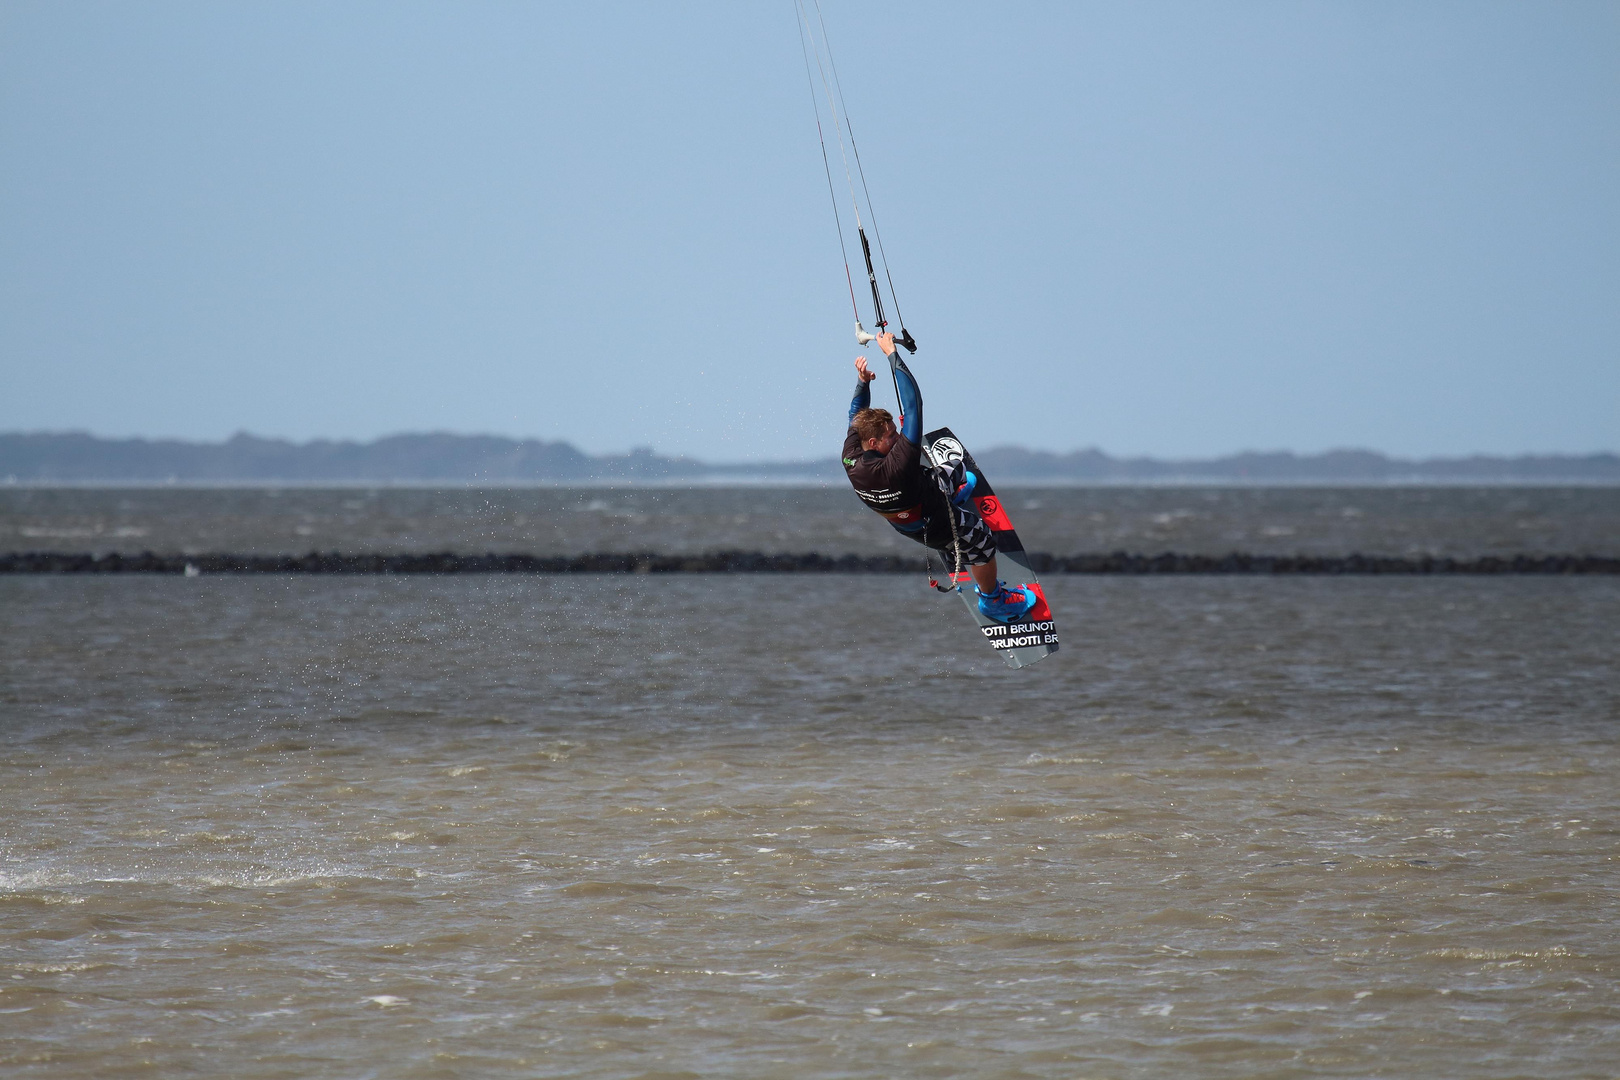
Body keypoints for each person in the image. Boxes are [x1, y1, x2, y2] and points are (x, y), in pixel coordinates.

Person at [842, 331, 1037, 623]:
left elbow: (856, 415)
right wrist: (892, 354)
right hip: (934, 523)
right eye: (891, 436)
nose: (897, 437)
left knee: (957, 467)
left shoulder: (851, 458)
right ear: (874, 444)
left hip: (909, 514)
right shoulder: (899, 464)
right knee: (983, 541)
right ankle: (993, 600)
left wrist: (863, 383)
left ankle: (952, 494)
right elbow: (913, 405)